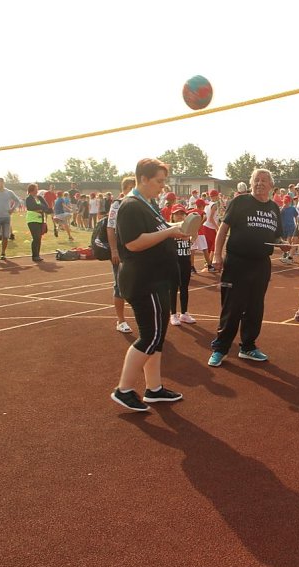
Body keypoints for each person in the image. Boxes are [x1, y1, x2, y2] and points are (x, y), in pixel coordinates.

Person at [111, 158, 187, 412]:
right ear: (143, 179)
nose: (162, 187)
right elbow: (133, 243)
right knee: (150, 336)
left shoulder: (148, 204)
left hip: (156, 278)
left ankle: (153, 389)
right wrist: (169, 231)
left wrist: (176, 230)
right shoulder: (131, 206)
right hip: (143, 280)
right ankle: (124, 389)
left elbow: (157, 233)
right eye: (159, 181)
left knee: (158, 336)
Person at [208, 168, 287, 367]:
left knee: (255, 307)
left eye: (264, 181)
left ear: (271, 186)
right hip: (237, 262)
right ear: (251, 183)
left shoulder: (274, 208)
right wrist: (217, 254)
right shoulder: (240, 202)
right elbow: (224, 228)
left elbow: (275, 235)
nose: (260, 183)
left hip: (261, 264)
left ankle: (248, 346)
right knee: (232, 307)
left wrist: (282, 243)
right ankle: (220, 348)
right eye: (256, 180)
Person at [107, 177, 134, 333]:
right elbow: (110, 228)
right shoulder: (117, 205)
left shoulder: (139, 203)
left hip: (136, 251)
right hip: (121, 252)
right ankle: (121, 320)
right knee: (119, 285)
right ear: (125, 188)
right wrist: (114, 250)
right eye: (131, 188)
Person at [168, 206, 197, 326]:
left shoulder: (188, 229)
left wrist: (194, 229)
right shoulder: (169, 228)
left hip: (185, 261)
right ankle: (173, 314)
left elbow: (194, 238)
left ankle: (184, 313)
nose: (180, 215)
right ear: (172, 216)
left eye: (182, 213)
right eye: (177, 213)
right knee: (173, 288)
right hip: (174, 262)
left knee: (184, 287)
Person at [25, 183, 50, 262]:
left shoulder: (39, 197)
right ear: (32, 190)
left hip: (40, 220)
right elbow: (31, 207)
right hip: (32, 220)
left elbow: (46, 207)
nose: (37, 190)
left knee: (39, 238)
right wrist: (40, 208)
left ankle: (37, 255)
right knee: (36, 237)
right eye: (36, 188)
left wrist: (40, 208)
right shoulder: (28, 198)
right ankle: (34, 256)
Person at [279, 195, 298, 264]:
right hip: (283, 227)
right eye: (284, 202)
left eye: (286, 202)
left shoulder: (292, 209)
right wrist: (282, 209)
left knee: (289, 240)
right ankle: (285, 252)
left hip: (291, 227)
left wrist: (297, 224)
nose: (285, 203)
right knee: (284, 241)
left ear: (289, 202)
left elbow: (296, 216)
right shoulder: (281, 209)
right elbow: (278, 215)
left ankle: (289, 256)